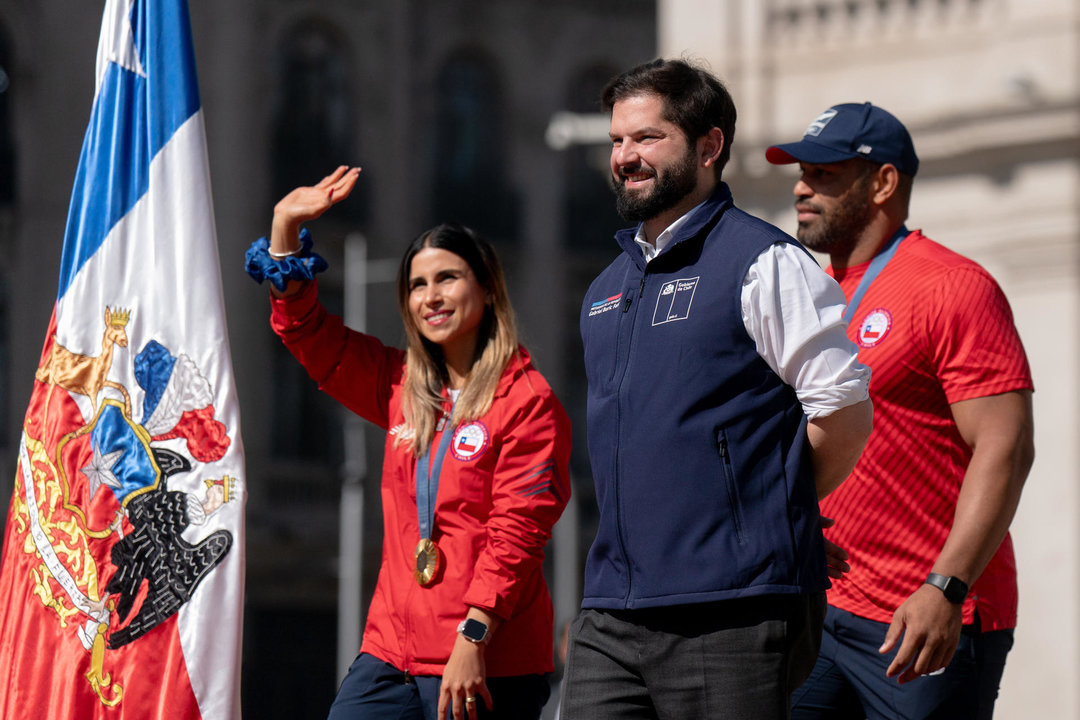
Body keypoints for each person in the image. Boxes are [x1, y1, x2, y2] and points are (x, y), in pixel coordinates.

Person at [560, 59, 874, 720]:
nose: (625, 156)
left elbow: (842, 410)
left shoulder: (764, 262)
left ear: (709, 146)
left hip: (731, 609)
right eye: (617, 141)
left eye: (647, 138)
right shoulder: (602, 291)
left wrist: (769, 505)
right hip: (611, 610)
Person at [245, 166, 572, 720]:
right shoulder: (400, 384)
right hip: (391, 654)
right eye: (417, 285)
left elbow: (517, 533)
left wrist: (472, 639)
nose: (431, 297)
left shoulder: (527, 399)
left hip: (488, 657)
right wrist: (283, 227)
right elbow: (305, 332)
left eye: (447, 278)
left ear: (488, 288)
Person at [765, 102, 1035, 719]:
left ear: (883, 183)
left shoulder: (951, 286)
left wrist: (947, 587)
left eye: (826, 173)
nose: (803, 187)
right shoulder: (806, 292)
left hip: (924, 622)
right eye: (802, 172)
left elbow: (1007, 447)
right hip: (823, 608)